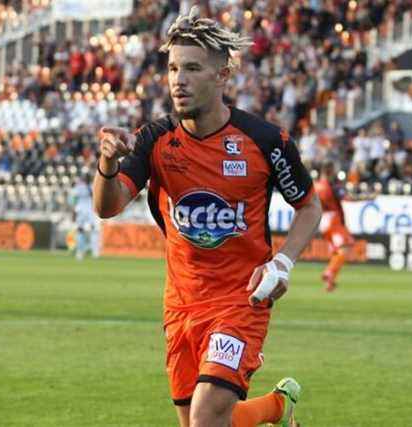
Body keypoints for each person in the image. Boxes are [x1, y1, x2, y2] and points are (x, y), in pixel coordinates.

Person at [92, 7, 321, 427]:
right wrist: (107, 164)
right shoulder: (154, 140)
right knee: (204, 421)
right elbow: (107, 207)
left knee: (205, 416)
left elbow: (309, 206)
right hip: (182, 303)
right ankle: (276, 407)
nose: (178, 79)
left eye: (193, 68)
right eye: (173, 67)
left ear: (222, 76)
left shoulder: (264, 141)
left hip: (242, 299)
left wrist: (282, 262)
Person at [314, 162, 354, 292]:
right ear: (330, 170)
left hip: (322, 220)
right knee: (345, 247)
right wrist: (368, 197)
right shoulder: (332, 186)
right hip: (333, 220)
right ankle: (330, 272)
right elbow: (348, 197)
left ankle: (330, 282)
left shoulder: (314, 185)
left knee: (337, 251)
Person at [69, 174, 100, 260]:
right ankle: (80, 252)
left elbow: (94, 196)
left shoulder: (91, 186)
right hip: (82, 210)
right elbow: (73, 200)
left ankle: (95, 252)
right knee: (80, 230)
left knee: (94, 230)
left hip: (90, 210)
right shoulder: (79, 187)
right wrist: (73, 213)